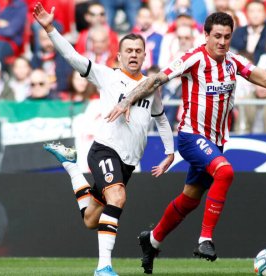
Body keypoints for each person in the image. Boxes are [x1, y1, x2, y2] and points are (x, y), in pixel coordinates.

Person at [106, 11, 266, 274]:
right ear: (206, 35)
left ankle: (151, 240)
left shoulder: (234, 62)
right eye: (217, 36)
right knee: (225, 171)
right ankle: (205, 239)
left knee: (190, 200)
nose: (222, 41)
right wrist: (127, 100)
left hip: (216, 142)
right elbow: (156, 79)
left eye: (227, 37)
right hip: (191, 136)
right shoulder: (193, 58)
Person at [33, 3, 174, 276]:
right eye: (128, 51)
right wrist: (50, 29)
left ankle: (71, 166)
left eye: (138, 51)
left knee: (90, 219)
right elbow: (73, 57)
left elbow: (161, 119)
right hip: (104, 150)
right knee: (118, 197)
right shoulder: (108, 76)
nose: (133, 55)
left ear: (145, 55)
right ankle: (103, 267)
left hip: (128, 162)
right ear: (119, 56)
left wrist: (170, 152)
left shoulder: (151, 87)